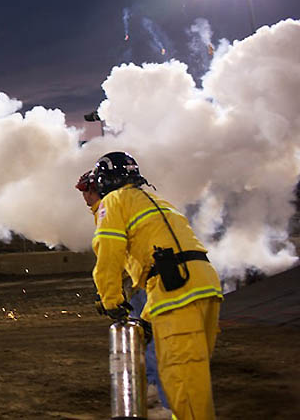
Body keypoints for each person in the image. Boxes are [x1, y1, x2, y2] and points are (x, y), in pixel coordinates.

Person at [90, 152, 223, 420]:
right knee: (192, 378)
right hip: (204, 287)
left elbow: (109, 251)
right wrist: (149, 317)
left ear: (104, 182)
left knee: (183, 385)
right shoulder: (156, 201)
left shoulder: (114, 201)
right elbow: (165, 258)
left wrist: (111, 300)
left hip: (178, 294)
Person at [76, 170, 170, 413]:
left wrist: (110, 297)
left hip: (145, 284)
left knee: (151, 341)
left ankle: (159, 397)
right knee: (147, 339)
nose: (85, 197)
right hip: (146, 282)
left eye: (86, 190)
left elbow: (112, 253)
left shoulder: (110, 206)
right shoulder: (126, 203)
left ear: (97, 188)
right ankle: (152, 390)